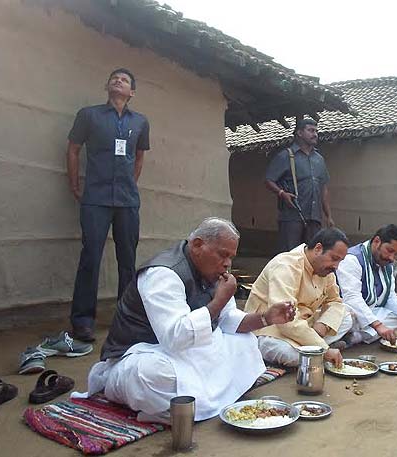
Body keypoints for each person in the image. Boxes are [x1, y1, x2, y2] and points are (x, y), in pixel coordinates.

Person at [85, 218, 296, 423]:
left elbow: (228, 320)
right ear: (197, 245)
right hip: (142, 354)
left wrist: (266, 317)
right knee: (152, 375)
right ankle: (191, 402)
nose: (228, 264)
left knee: (245, 342)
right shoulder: (162, 274)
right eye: (223, 255)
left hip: (185, 353)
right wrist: (219, 301)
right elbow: (175, 338)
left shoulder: (213, 272)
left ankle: (196, 403)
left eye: (231, 257)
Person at [66, 68, 150, 342]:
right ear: (107, 86)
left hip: (127, 201)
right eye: (115, 78)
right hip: (96, 198)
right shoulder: (88, 115)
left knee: (127, 260)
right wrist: (75, 184)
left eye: (125, 79)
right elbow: (73, 149)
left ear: (131, 92)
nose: (119, 80)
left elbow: (139, 157)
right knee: (90, 257)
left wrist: (130, 184)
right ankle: (83, 322)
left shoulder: (140, 122)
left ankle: (126, 317)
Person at [243, 228, 351, 367]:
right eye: (334, 258)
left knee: (347, 316)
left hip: (305, 325)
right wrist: (324, 349)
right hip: (272, 330)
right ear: (318, 249)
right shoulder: (286, 265)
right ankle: (318, 349)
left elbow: (335, 301)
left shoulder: (326, 271)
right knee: (291, 355)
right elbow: (285, 321)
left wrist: (323, 325)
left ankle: (313, 347)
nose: (336, 266)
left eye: (340, 261)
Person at [336, 224, 397, 346]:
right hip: (349, 313)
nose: (391, 258)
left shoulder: (386, 264)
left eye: (396, 254)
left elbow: (390, 296)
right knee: (346, 319)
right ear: (377, 241)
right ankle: (348, 337)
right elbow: (352, 299)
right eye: (389, 251)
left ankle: (355, 338)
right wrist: (378, 325)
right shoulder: (352, 259)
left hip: (368, 313)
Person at [265, 119, 334, 253]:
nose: (315, 134)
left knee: (311, 256)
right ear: (299, 133)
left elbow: (323, 188)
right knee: (289, 256)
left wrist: (328, 216)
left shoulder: (319, 159)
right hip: (291, 216)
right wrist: (282, 194)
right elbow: (269, 180)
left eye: (316, 131)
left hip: (315, 217)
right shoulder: (286, 156)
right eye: (311, 130)